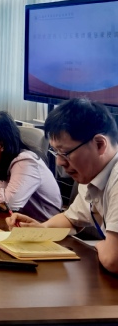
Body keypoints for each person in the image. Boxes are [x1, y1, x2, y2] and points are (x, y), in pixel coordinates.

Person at [7, 99, 118, 274]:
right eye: (56, 152)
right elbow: (72, 219)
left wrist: (101, 245)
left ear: (99, 144)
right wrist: (43, 229)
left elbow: (113, 260)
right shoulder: (92, 175)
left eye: (65, 152)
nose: (59, 162)